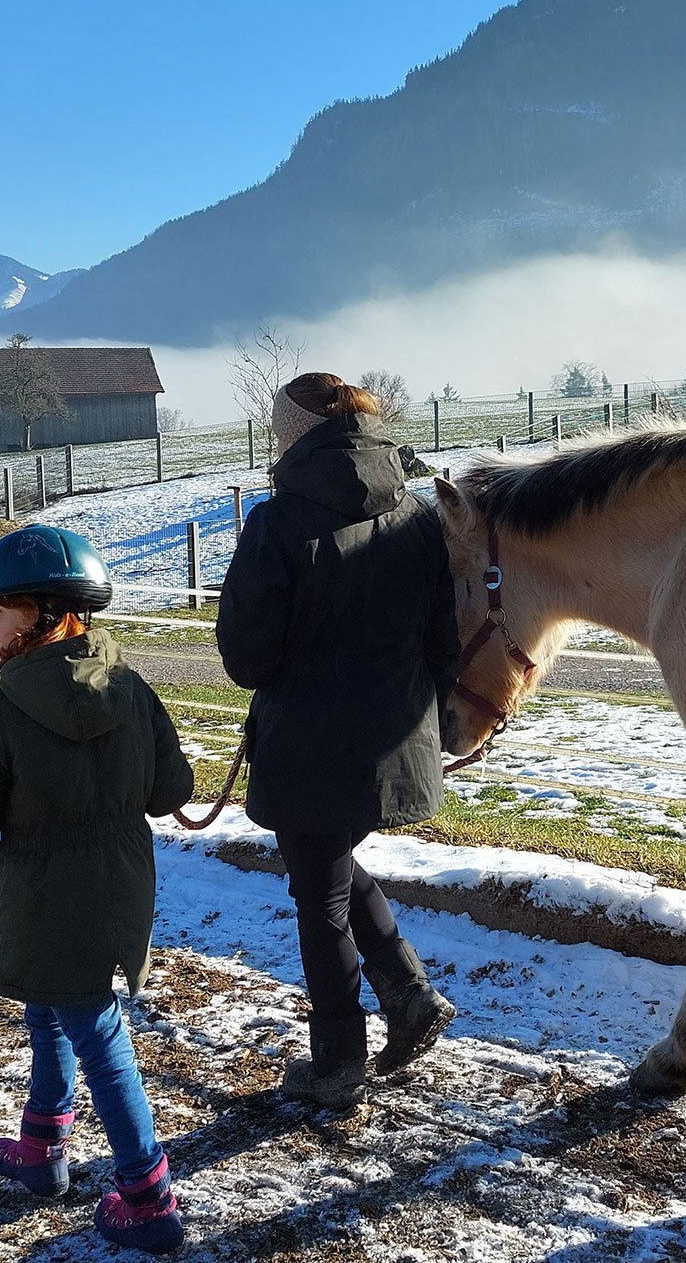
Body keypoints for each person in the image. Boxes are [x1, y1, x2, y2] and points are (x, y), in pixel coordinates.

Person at [0, 524, 193, 1255]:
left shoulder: (2, 708)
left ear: (50, 611)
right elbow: (172, 788)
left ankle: (148, 1197)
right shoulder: (133, 687)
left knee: (96, 1031)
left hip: (47, 893)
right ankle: (43, 1150)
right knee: (51, 1007)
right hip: (122, 883)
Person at [217, 372, 460, 1110]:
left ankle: (338, 1060)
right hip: (397, 736)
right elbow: (443, 641)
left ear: (292, 436)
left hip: (309, 745)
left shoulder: (276, 523)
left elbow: (246, 659)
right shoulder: (420, 517)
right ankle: (410, 995)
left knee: (318, 895)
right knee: (328, 867)